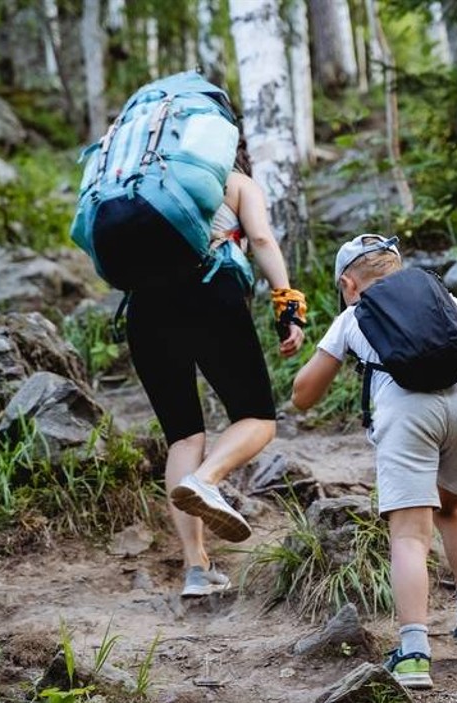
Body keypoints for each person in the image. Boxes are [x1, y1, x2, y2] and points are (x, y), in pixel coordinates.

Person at [96, 134, 306, 599]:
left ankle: (197, 569)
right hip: (211, 296)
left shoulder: (143, 186)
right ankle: (206, 481)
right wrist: (288, 302)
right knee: (258, 419)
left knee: (184, 436)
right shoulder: (234, 181)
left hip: (144, 309)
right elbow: (262, 238)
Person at [290, 234, 457, 689]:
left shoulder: (353, 316)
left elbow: (304, 395)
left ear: (349, 283)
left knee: (409, 533)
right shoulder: (436, 292)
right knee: (454, 508)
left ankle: (412, 652)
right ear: (399, 269)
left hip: (408, 413)